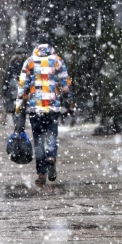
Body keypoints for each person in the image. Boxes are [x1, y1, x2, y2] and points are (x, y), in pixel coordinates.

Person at [15, 35, 73, 186]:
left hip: (36, 108)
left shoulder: (29, 62)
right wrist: (67, 100)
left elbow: (22, 85)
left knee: (39, 140)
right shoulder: (57, 61)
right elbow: (65, 84)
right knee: (52, 134)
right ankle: (52, 158)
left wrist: (19, 106)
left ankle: (41, 174)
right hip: (52, 107)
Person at [0, 45, 26, 125]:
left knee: (17, 105)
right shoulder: (15, 62)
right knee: (15, 105)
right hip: (15, 86)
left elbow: (7, 75)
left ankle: (18, 121)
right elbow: (8, 75)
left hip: (19, 86)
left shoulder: (19, 62)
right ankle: (17, 121)